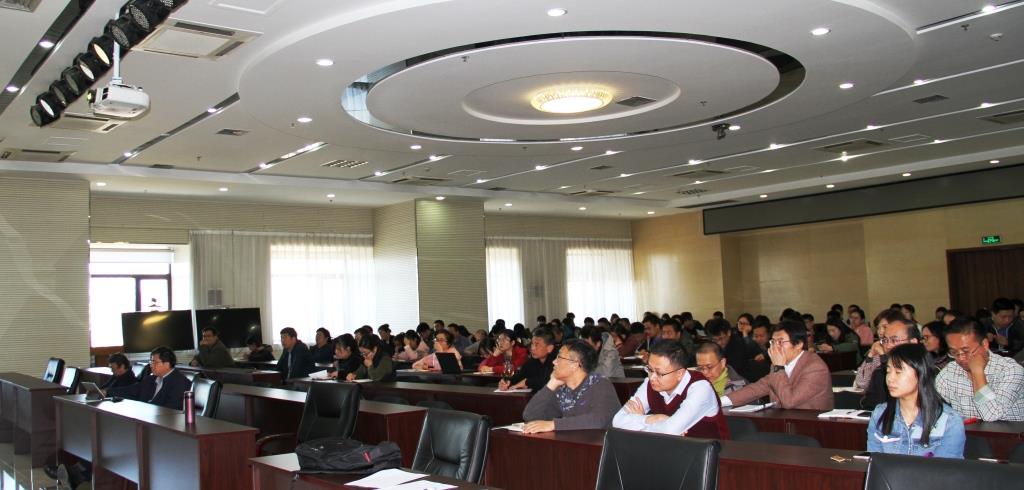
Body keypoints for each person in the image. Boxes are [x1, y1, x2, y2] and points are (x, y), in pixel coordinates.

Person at [612, 342, 729, 438]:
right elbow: (617, 420)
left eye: (659, 373)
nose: (652, 377)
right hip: (668, 451)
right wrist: (654, 418)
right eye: (650, 370)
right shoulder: (650, 384)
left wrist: (637, 421)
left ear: (680, 373)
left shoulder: (701, 388)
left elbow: (670, 430)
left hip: (710, 454)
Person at [867, 344, 965, 458]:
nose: (890, 378)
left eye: (898, 372)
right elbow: (875, 462)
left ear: (921, 373)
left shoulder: (949, 421)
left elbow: (946, 468)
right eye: (888, 371)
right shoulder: (880, 414)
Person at [722, 321, 834, 410]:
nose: (775, 347)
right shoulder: (778, 364)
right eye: (773, 342)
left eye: (780, 342)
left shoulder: (815, 368)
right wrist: (720, 401)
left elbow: (789, 402)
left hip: (811, 425)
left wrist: (779, 368)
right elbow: (758, 388)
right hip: (783, 421)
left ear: (798, 344)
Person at [521, 340, 621, 433]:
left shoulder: (600, 384)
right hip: (575, 442)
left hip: (602, 443)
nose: (554, 362)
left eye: (559, 357)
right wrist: (551, 385)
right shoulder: (562, 390)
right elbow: (530, 416)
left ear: (574, 365)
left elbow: (599, 420)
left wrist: (554, 425)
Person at [936, 317, 1024, 421]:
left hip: (1008, 431)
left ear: (985, 344)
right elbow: (933, 408)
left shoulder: (1011, 370)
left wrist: (977, 372)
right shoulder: (949, 372)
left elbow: (991, 415)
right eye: (954, 352)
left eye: (966, 351)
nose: (961, 358)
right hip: (968, 431)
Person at [860, 312, 921, 409]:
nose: (888, 346)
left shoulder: (927, 370)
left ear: (913, 342)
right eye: (885, 340)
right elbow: (869, 402)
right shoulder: (880, 373)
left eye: (894, 340)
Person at [109, 347, 190, 410]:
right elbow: (133, 390)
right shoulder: (151, 379)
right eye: (151, 362)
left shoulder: (180, 382)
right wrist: (108, 391)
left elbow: (171, 409)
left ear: (166, 364)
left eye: (154, 362)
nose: (151, 365)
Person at [499, 329, 557, 393]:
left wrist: (527, 382)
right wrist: (508, 382)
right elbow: (520, 375)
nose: (532, 348)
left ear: (549, 348)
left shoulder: (558, 361)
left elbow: (549, 382)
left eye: (537, 345)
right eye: (532, 344)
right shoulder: (532, 361)